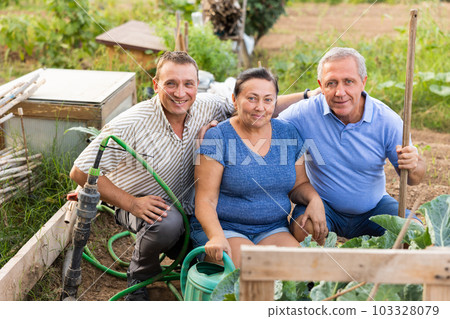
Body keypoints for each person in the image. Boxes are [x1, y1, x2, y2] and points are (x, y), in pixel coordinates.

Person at [69, 52, 312, 300]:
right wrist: (132, 203)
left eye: (188, 84)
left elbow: (256, 104)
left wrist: (307, 96)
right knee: (167, 222)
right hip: (144, 204)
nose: (180, 92)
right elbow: (81, 170)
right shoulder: (132, 122)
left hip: (188, 204)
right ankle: (141, 275)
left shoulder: (206, 105)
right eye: (171, 83)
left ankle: (189, 251)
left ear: (197, 85)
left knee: (289, 272)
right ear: (155, 85)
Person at [277, 47, 426, 241]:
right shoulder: (304, 113)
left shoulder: (386, 119)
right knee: (306, 229)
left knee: (414, 235)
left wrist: (414, 164)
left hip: (374, 207)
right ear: (321, 86)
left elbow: (413, 179)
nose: (340, 92)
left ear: (363, 82)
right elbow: (265, 109)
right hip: (324, 205)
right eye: (331, 83)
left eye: (349, 82)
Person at [190, 68, 327, 268]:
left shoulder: (288, 133)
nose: (260, 107)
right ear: (235, 100)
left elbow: (299, 185)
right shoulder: (218, 137)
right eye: (252, 98)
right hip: (225, 229)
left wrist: (314, 199)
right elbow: (205, 200)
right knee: (255, 270)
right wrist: (216, 236)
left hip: (272, 229)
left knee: (300, 269)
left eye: (268, 100)